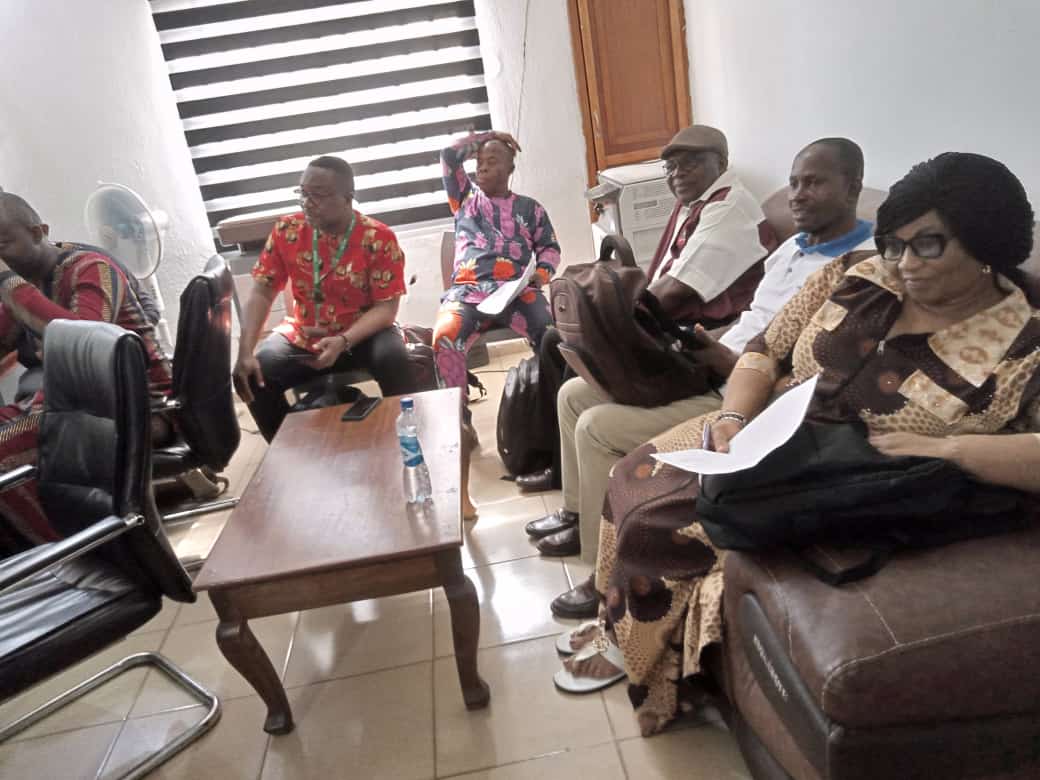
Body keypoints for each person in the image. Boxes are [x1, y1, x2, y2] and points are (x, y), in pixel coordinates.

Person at [554, 152, 1040, 738]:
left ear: (987, 244)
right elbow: (763, 349)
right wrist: (734, 415)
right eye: (896, 244)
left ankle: (644, 665)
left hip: (860, 476)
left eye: (928, 246)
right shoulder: (859, 275)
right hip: (770, 431)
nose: (905, 264)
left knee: (666, 520)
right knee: (637, 470)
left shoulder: (1024, 341)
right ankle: (617, 618)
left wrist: (950, 452)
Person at [532, 138, 873, 621]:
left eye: (814, 183)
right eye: (794, 182)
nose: (796, 194)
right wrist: (698, 342)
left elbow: (801, 368)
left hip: (745, 392)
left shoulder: (860, 267)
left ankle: (600, 572)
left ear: (853, 186)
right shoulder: (797, 246)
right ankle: (576, 513)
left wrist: (724, 360)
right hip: (718, 361)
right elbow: (754, 318)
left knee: (596, 427)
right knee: (572, 394)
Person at [515, 124, 777, 494]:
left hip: (695, 341)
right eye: (670, 168)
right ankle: (558, 467)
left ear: (720, 161)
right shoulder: (696, 204)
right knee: (560, 339)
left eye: (690, 163)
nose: (677, 174)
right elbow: (657, 281)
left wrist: (609, 315)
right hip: (674, 326)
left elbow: (669, 295)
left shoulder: (728, 209)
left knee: (563, 339)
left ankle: (559, 470)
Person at [0, 192, 171, 554]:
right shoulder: (22, 285)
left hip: (133, 406)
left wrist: (7, 282)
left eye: (2, 242)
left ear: (38, 231)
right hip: (71, 404)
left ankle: (63, 553)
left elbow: (84, 340)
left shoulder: (91, 267)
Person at [234, 155, 413, 442]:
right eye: (303, 193)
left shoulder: (378, 237)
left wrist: (344, 341)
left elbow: (385, 310)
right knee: (255, 374)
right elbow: (262, 291)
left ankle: (406, 440)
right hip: (305, 335)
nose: (307, 202)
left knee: (395, 359)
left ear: (347, 198)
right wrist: (245, 351)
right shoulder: (286, 230)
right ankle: (291, 453)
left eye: (318, 195)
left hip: (363, 334)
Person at [434, 130, 561, 519]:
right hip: (469, 293)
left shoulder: (530, 209)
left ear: (510, 168)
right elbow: (448, 155)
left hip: (518, 292)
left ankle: (553, 424)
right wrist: (486, 137)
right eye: (480, 161)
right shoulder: (465, 200)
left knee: (553, 338)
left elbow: (550, 249)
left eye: (492, 161)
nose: (483, 166)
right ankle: (460, 423)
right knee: (445, 339)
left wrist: (538, 276)